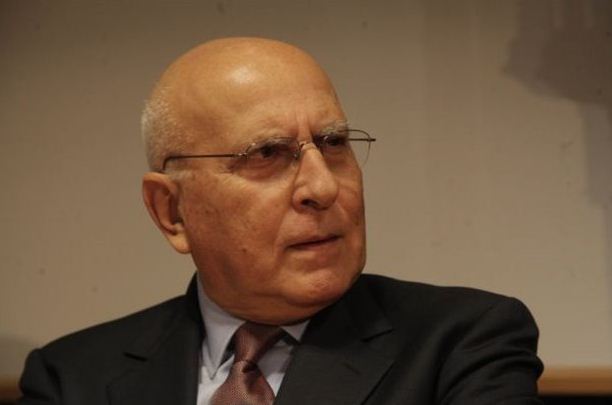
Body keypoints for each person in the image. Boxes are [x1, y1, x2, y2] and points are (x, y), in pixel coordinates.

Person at [17, 37, 543, 405]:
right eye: (267, 154)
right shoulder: (72, 379)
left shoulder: (463, 343)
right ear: (171, 212)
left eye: (333, 143)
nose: (323, 187)